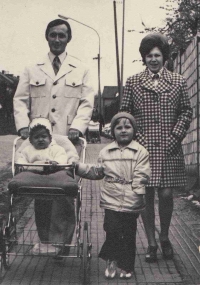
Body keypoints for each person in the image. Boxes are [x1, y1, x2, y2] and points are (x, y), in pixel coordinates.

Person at [13, 18, 94, 256]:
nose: (57, 39)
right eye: (53, 35)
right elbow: (19, 100)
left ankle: (62, 244)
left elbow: (87, 103)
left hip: (68, 141)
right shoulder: (32, 68)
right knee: (41, 191)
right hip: (39, 140)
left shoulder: (81, 69)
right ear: (46, 37)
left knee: (64, 191)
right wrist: (23, 127)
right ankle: (46, 241)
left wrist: (78, 127)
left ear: (69, 39)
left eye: (62, 35)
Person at [120, 33, 192, 262]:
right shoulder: (133, 82)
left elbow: (186, 111)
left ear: (165, 58)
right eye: (149, 55)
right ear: (144, 58)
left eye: (158, 55)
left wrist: (176, 136)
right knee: (146, 196)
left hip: (170, 147)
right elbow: (125, 115)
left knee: (167, 194)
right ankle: (151, 243)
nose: (153, 59)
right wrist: (136, 139)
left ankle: (165, 237)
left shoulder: (178, 81)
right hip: (142, 149)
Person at [74, 112, 151, 279]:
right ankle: (112, 259)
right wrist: (78, 168)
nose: (123, 130)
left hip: (132, 199)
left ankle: (127, 266)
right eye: (119, 127)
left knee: (129, 233)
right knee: (112, 230)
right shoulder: (106, 151)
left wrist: (136, 192)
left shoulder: (141, 151)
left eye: (127, 127)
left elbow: (142, 173)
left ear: (134, 130)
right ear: (113, 131)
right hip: (111, 198)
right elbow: (97, 171)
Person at [11, 118, 79, 254]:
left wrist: (56, 162)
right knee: (41, 209)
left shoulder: (56, 148)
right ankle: (45, 240)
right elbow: (21, 160)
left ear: (50, 138)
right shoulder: (28, 150)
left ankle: (60, 241)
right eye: (36, 137)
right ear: (30, 140)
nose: (40, 140)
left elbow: (62, 158)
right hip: (34, 177)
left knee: (61, 204)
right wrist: (25, 165)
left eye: (44, 136)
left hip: (54, 176)